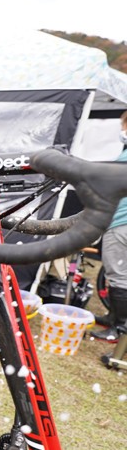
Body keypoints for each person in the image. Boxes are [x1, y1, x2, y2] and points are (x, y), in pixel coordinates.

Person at [90, 110, 127, 344]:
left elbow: (104, 177)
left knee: (118, 275)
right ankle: (113, 317)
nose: (122, 131)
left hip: (122, 222)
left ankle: (119, 328)